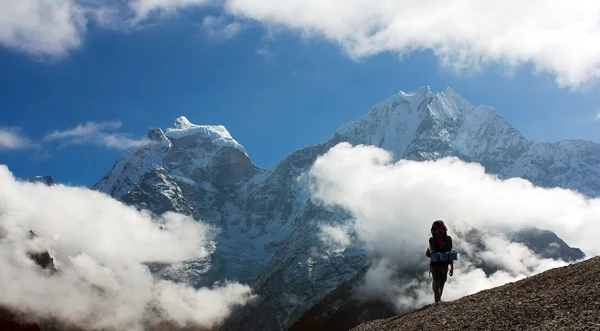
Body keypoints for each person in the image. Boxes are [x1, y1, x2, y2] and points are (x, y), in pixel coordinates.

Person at [425, 220, 454, 303]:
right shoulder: (447, 240)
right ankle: (439, 298)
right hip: (445, 265)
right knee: (442, 282)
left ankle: (437, 300)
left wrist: (435, 257)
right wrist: (452, 268)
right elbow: (450, 255)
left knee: (436, 281)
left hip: (434, 265)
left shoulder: (432, 241)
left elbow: (427, 254)